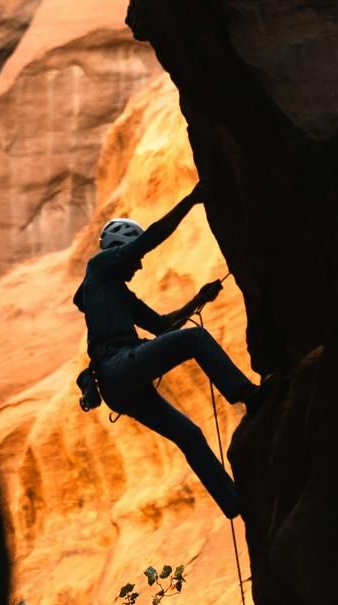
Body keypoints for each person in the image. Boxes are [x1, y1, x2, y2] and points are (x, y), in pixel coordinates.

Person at [72, 179, 263, 520]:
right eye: (134, 255)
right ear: (120, 248)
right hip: (118, 366)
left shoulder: (113, 291)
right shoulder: (98, 268)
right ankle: (248, 395)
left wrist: (199, 300)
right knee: (194, 340)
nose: (140, 265)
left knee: (189, 434)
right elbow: (152, 239)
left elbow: (161, 326)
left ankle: (238, 506)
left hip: (118, 382)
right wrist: (190, 201)